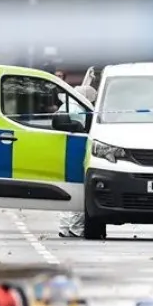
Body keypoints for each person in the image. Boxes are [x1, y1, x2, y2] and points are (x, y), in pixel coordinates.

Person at [58, 84, 97, 238]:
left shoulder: (67, 106)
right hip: (76, 152)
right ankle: (76, 228)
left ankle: (64, 227)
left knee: (67, 190)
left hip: (63, 152)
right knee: (79, 190)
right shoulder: (79, 110)